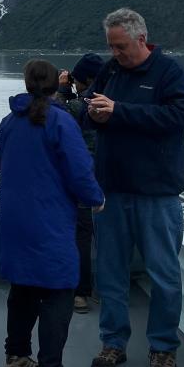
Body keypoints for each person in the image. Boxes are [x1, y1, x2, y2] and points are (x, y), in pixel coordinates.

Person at [86, 8, 184, 367]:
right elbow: (88, 106)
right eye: (111, 46)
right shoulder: (109, 71)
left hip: (156, 195)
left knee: (164, 275)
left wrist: (119, 111)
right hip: (111, 192)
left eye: (120, 47)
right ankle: (112, 342)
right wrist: (94, 115)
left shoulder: (169, 72)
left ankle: (163, 349)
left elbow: (180, 118)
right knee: (110, 274)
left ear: (141, 40)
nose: (115, 53)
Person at [0, 59, 105, 367]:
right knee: (59, 291)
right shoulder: (60, 121)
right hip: (50, 220)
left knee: (23, 288)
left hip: (14, 220)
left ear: (26, 84)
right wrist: (94, 199)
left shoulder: (10, 122)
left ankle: (17, 359)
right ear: (54, 85)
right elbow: (79, 168)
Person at [57, 53, 106, 314]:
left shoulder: (77, 105)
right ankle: (107, 289)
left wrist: (63, 89)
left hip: (83, 178)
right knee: (109, 235)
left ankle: (81, 293)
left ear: (86, 79)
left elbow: (55, 114)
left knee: (82, 235)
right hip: (111, 176)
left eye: (76, 79)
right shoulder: (110, 99)